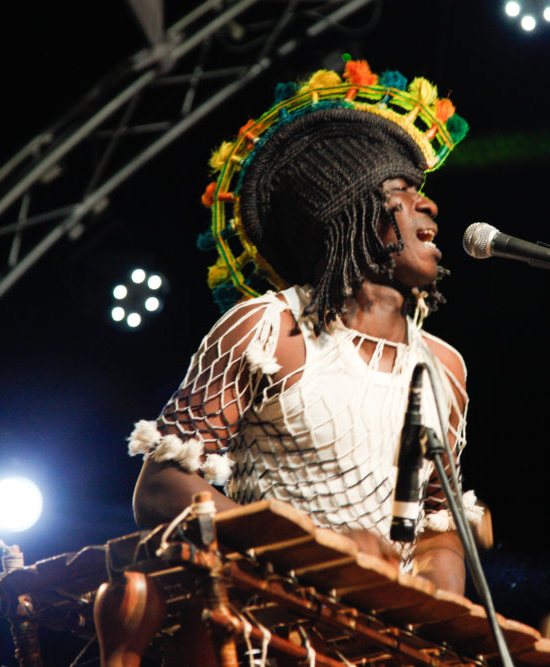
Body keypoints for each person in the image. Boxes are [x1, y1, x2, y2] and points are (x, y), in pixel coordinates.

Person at [128, 60, 482, 598]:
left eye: (422, 192)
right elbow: (159, 489)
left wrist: (432, 601)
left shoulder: (444, 368)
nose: (427, 202)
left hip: (377, 638)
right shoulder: (269, 330)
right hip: (268, 616)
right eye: (402, 191)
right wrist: (312, 547)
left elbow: (439, 527)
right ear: (349, 212)